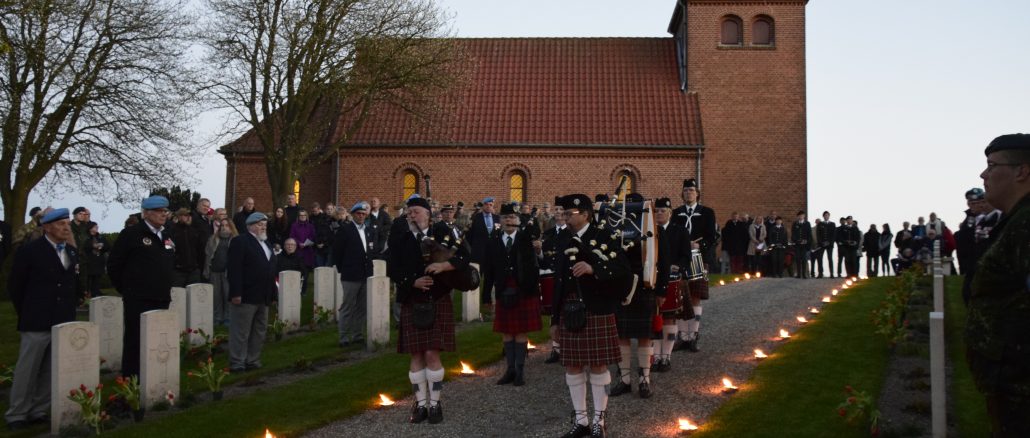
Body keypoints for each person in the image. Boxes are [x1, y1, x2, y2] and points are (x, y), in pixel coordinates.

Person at [966, 133, 1030, 436]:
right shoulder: (1015, 221)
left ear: (1022, 171)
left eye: (991, 166)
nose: (983, 175)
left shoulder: (1026, 225)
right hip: (1009, 385)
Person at [550, 194, 629, 438]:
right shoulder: (563, 238)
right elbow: (559, 281)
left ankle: (599, 421)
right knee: (572, 365)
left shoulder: (605, 236)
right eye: (564, 212)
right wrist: (554, 319)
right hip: (569, 309)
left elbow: (623, 270)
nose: (566, 216)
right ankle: (581, 420)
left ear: (585, 214)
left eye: (570, 212)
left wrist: (594, 268)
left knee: (598, 364)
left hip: (597, 308)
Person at [389, 197, 469, 425]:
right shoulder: (401, 238)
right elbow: (393, 268)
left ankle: (435, 403)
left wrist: (444, 265)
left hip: (437, 298)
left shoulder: (443, 232)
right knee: (416, 354)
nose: (410, 215)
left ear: (426, 213)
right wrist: (412, 282)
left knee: (432, 353)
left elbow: (465, 257)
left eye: (414, 211)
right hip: (412, 299)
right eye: (408, 212)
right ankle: (420, 403)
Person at [4, 209, 77, 430]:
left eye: (67, 223)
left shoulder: (70, 252)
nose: (66, 227)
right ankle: (17, 412)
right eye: (61, 224)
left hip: (61, 319)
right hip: (36, 317)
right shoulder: (31, 251)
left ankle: (38, 408)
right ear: (46, 227)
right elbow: (16, 285)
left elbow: (71, 283)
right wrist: (26, 311)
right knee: (28, 367)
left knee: (51, 368)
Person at [107, 196, 175, 378]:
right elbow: (114, 264)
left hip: (161, 295)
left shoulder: (166, 235)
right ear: (146, 213)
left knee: (157, 340)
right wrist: (127, 288)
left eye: (165, 211)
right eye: (160, 211)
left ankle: (153, 376)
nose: (164, 215)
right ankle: (131, 379)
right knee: (135, 340)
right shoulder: (132, 234)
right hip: (138, 297)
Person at [481, 202, 540, 386]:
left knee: (520, 331)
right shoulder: (493, 240)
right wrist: (485, 297)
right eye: (505, 217)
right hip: (502, 290)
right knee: (506, 332)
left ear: (518, 220)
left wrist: (536, 246)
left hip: (523, 289)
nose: (509, 220)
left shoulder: (525, 238)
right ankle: (510, 369)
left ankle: (520, 371)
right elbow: (489, 270)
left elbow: (533, 266)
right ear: (500, 220)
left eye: (512, 217)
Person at [227, 212, 278, 372]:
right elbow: (234, 269)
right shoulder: (240, 241)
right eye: (259, 224)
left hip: (263, 295)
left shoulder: (267, 244)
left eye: (264, 224)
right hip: (246, 295)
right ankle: (237, 362)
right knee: (241, 331)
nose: (263, 227)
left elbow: (270, 271)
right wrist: (236, 293)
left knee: (259, 330)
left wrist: (273, 294)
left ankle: (253, 359)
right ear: (250, 226)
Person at [671, 178, 716, 352]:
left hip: (699, 258)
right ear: (682, 194)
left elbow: (712, 237)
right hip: (680, 259)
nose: (689, 193)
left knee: (695, 296)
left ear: (697, 193)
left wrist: (699, 245)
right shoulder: (676, 213)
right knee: (681, 297)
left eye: (691, 190)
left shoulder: (707, 212)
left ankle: (693, 335)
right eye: (686, 190)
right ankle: (682, 336)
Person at [333, 202, 378, 347]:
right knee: (347, 306)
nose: (361, 216)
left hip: (366, 274)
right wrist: (344, 269)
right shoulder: (345, 230)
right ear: (353, 214)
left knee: (362, 307)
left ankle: (358, 334)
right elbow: (337, 253)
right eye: (358, 214)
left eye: (364, 214)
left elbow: (371, 251)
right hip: (351, 274)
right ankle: (344, 337)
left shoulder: (369, 230)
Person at [537, 197, 566, 365]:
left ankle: (567, 347)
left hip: (564, 277)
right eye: (557, 211)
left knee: (565, 311)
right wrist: (540, 252)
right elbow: (542, 259)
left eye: (562, 212)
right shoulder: (547, 234)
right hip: (550, 277)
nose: (559, 215)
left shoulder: (570, 233)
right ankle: (556, 348)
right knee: (553, 312)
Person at [468, 197, 500, 309]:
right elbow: (469, 236)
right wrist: (474, 248)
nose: (489, 206)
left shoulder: (497, 218)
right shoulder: (476, 218)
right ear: (483, 206)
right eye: (486, 205)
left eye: (491, 205)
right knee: (476, 276)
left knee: (490, 278)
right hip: (479, 252)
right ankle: (473, 302)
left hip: (493, 254)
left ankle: (486, 300)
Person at [205, 218, 237, 326]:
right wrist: (207, 270)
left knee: (227, 296)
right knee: (216, 296)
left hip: (228, 272)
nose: (224, 227)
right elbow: (208, 255)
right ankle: (217, 317)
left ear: (231, 227)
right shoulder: (213, 239)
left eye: (227, 225)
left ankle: (228, 318)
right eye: (222, 225)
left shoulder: (235, 239)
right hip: (214, 271)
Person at [83, 222, 110, 299]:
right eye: (95, 226)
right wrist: (93, 246)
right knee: (89, 279)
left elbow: (108, 246)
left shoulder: (100, 237)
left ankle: (96, 292)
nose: (97, 227)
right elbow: (85, 246)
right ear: (90, 228)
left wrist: (102, 246)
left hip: (99, 261)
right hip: (89, 261)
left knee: (97, 278)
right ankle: (88, 293)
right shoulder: (86, 237)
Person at [791, 211, 812, 279]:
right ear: (798, 216)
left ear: (804, 216)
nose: (800, 217)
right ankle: (799, 274)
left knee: (804, 259)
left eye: (802, 215)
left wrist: (806, 241)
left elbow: (809, 234)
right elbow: (793, 234)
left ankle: (804, 274)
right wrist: (797, 241)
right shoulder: (795, 224)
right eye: (799, 216)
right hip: (797, 244)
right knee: (798, 259)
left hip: (804, 245)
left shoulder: (807, 224)